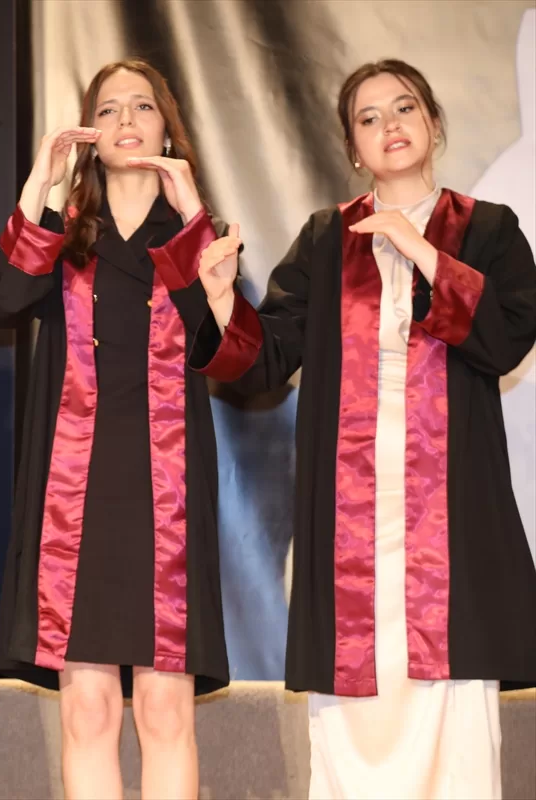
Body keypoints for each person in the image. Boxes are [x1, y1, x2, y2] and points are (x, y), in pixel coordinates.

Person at [194, 59, 536, 799]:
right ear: (353, 148)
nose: (390, 126)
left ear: (434, 123)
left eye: (404, 108)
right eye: (368, 118)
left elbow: (507, 338)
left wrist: (422, 251)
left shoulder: (490, 229)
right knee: (357, 710)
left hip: (451, 514)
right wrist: (222, 302)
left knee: (453, 711)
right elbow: (266, 358)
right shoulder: (327, 238)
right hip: (352, 516)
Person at [0, 60, 231, 800]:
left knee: (164, 709)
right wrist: (40, 184)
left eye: (143, 106)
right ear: (89, 133)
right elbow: (3, 304)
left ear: (167, 128)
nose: (126, 119)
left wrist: (194, 218)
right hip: (74, 494)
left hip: (165, 492)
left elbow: (230, 351)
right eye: (109, 108)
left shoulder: (196, 234)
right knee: (86, 710)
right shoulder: (61, 235)